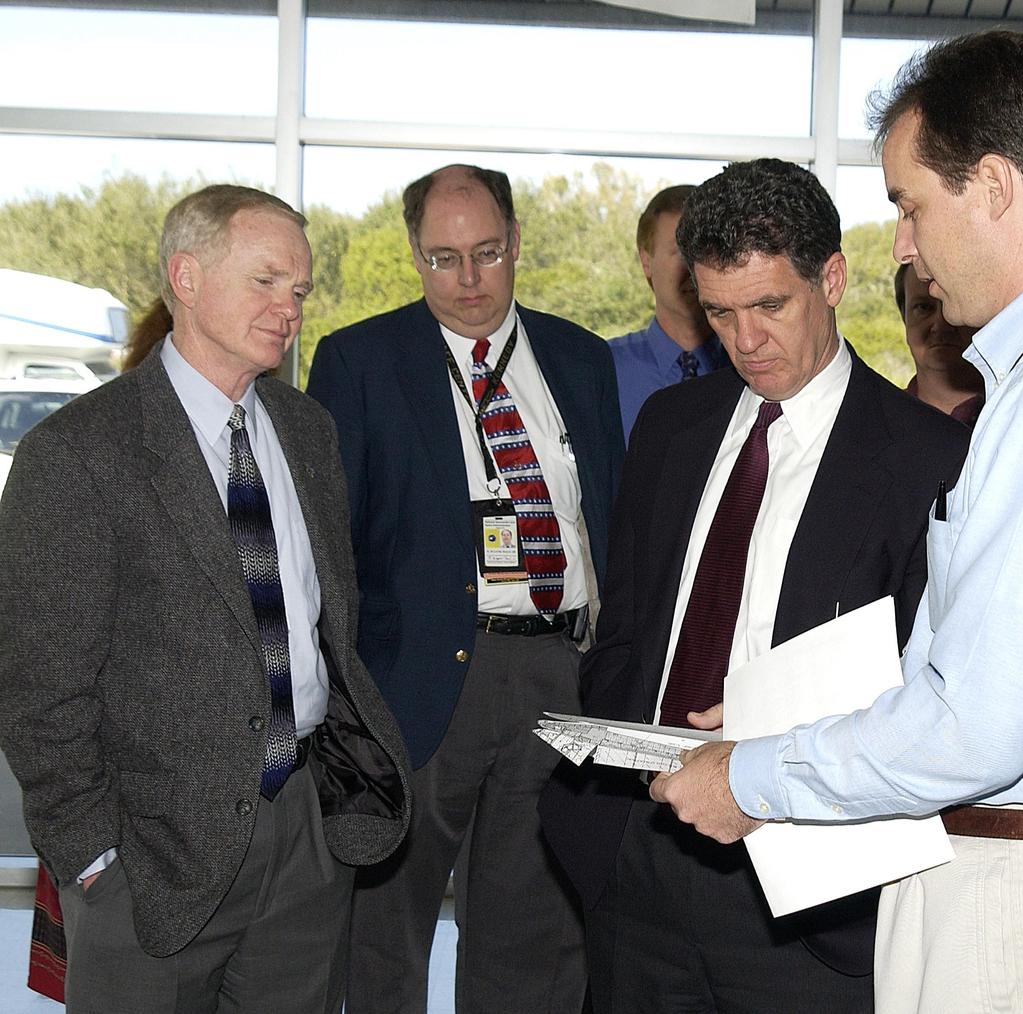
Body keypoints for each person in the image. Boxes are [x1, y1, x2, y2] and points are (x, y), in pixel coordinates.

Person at [653, 31, 1023, 1014]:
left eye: (910, 203)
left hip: (1018, 904)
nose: (904, 246)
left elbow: (980, 722)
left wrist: (754, 775)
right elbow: (1004, 672)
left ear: (997, 186)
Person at [539, 157, 969, 1013]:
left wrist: (772, 737)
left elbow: (933, 692)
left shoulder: (926, 456)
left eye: (771, 305)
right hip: (641, 849)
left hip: (808, 881)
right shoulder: (670, 427)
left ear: (833, 279)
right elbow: (626, 627)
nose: (746, 340)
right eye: (721, 312)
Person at [0, 183, 412, 1013]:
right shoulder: (77, 453)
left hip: (304, 831)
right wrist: (93, 858)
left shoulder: (306, 431)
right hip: (148, 854)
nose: (289, 308)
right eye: (265, 281)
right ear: (185, 278)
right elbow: (38, 690)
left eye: (297, 290)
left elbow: (330, 625)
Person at [307, 163, 623, 1014]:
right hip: (417, 682)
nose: (470, 279)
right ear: (414, 256)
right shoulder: (359, 362)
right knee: (387, 932)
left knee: (537, 933)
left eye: (486, 252)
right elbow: (332, 554)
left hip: (559, 673)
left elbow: (609, 516)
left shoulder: (581, 358)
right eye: (444, 259)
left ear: (517, 242)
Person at [26, 294, 176, 1006]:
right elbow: (43, 673)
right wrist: (91, 849)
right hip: (124, 810)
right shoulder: (89, 449)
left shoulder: (272, 439)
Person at [610, 184, 729, 442]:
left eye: (705, 252)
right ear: (646, 262)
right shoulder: (604, 369)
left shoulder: (752, 366)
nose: (694, 268)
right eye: (680, 252)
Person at [895, 261, 983, 425]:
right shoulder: (873, 422)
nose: (940, 324)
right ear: (904, 317)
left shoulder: (1022, 412)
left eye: (954, 305)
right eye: (923, 307)